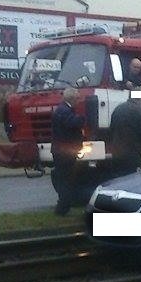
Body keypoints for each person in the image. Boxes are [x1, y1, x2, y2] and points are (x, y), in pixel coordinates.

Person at [50, 86, 86, 216]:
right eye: (77, 98)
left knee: (65, 178)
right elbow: (72, 123)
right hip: (64, 152)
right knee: (66, 180)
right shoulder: (65, 111)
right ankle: (62, 209)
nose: (79, 100)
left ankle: (63, 207)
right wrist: (84, 118)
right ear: (72, 98)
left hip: (61, 151)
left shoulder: (63, 109)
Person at [109, 89, 141, 176]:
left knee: (118, 179)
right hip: (133, 155)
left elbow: (112, 129)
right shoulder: (140, 111)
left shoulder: (118, 109)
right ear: (139, 98)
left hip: (117, 153)